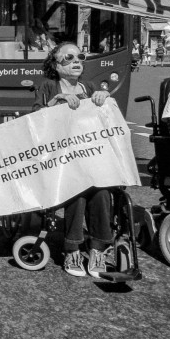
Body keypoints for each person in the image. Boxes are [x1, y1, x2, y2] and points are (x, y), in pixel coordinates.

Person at [33, 42, 112, 278]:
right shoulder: (48, 86)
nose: (76, 61)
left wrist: (105, 96)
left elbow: (108, 116)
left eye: (80, 57)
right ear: (56, 66)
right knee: (77, 191)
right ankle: (72, 249)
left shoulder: (90, 87)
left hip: (89, 158)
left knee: (101, 192)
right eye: (68, 58)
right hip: (59, 160)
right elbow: (33, 120)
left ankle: (98, 248)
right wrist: (55, 101)